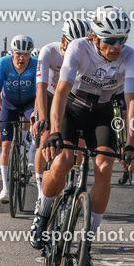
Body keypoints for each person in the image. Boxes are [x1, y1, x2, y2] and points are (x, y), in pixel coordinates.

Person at [36, 6, 134, 266]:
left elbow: (132, 102)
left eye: (122, 39)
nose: (117, 46)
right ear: (94, 37)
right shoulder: (78, 48)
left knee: (105, 167)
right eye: (110, 40)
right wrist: (55, 132)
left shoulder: (130, 56)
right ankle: (43, 214)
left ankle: (86, 246)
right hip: (72, 110)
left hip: (101, 115)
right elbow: (60, 92)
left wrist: (131, 146)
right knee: (63, 161)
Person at [31, 17, 91, 211]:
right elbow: (40, 87)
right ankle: (41, 194)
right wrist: (41, 117)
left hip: (71, 99)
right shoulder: (49, 51)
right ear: (64, 41)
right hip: (50, 95)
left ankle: (72, 184)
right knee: (45, 139)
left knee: (79, 145)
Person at [0, 36, 37, 203]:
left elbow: (40, 91)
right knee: (6, 145)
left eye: (26, 54)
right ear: (11, 52)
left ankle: (29, 151)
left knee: (35, 122)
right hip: (9, 104)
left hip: (29, 103)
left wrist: (36, 113)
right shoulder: (3, 63)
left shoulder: (36, 64)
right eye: (18, 54)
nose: (22, 58)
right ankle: (5, 187)